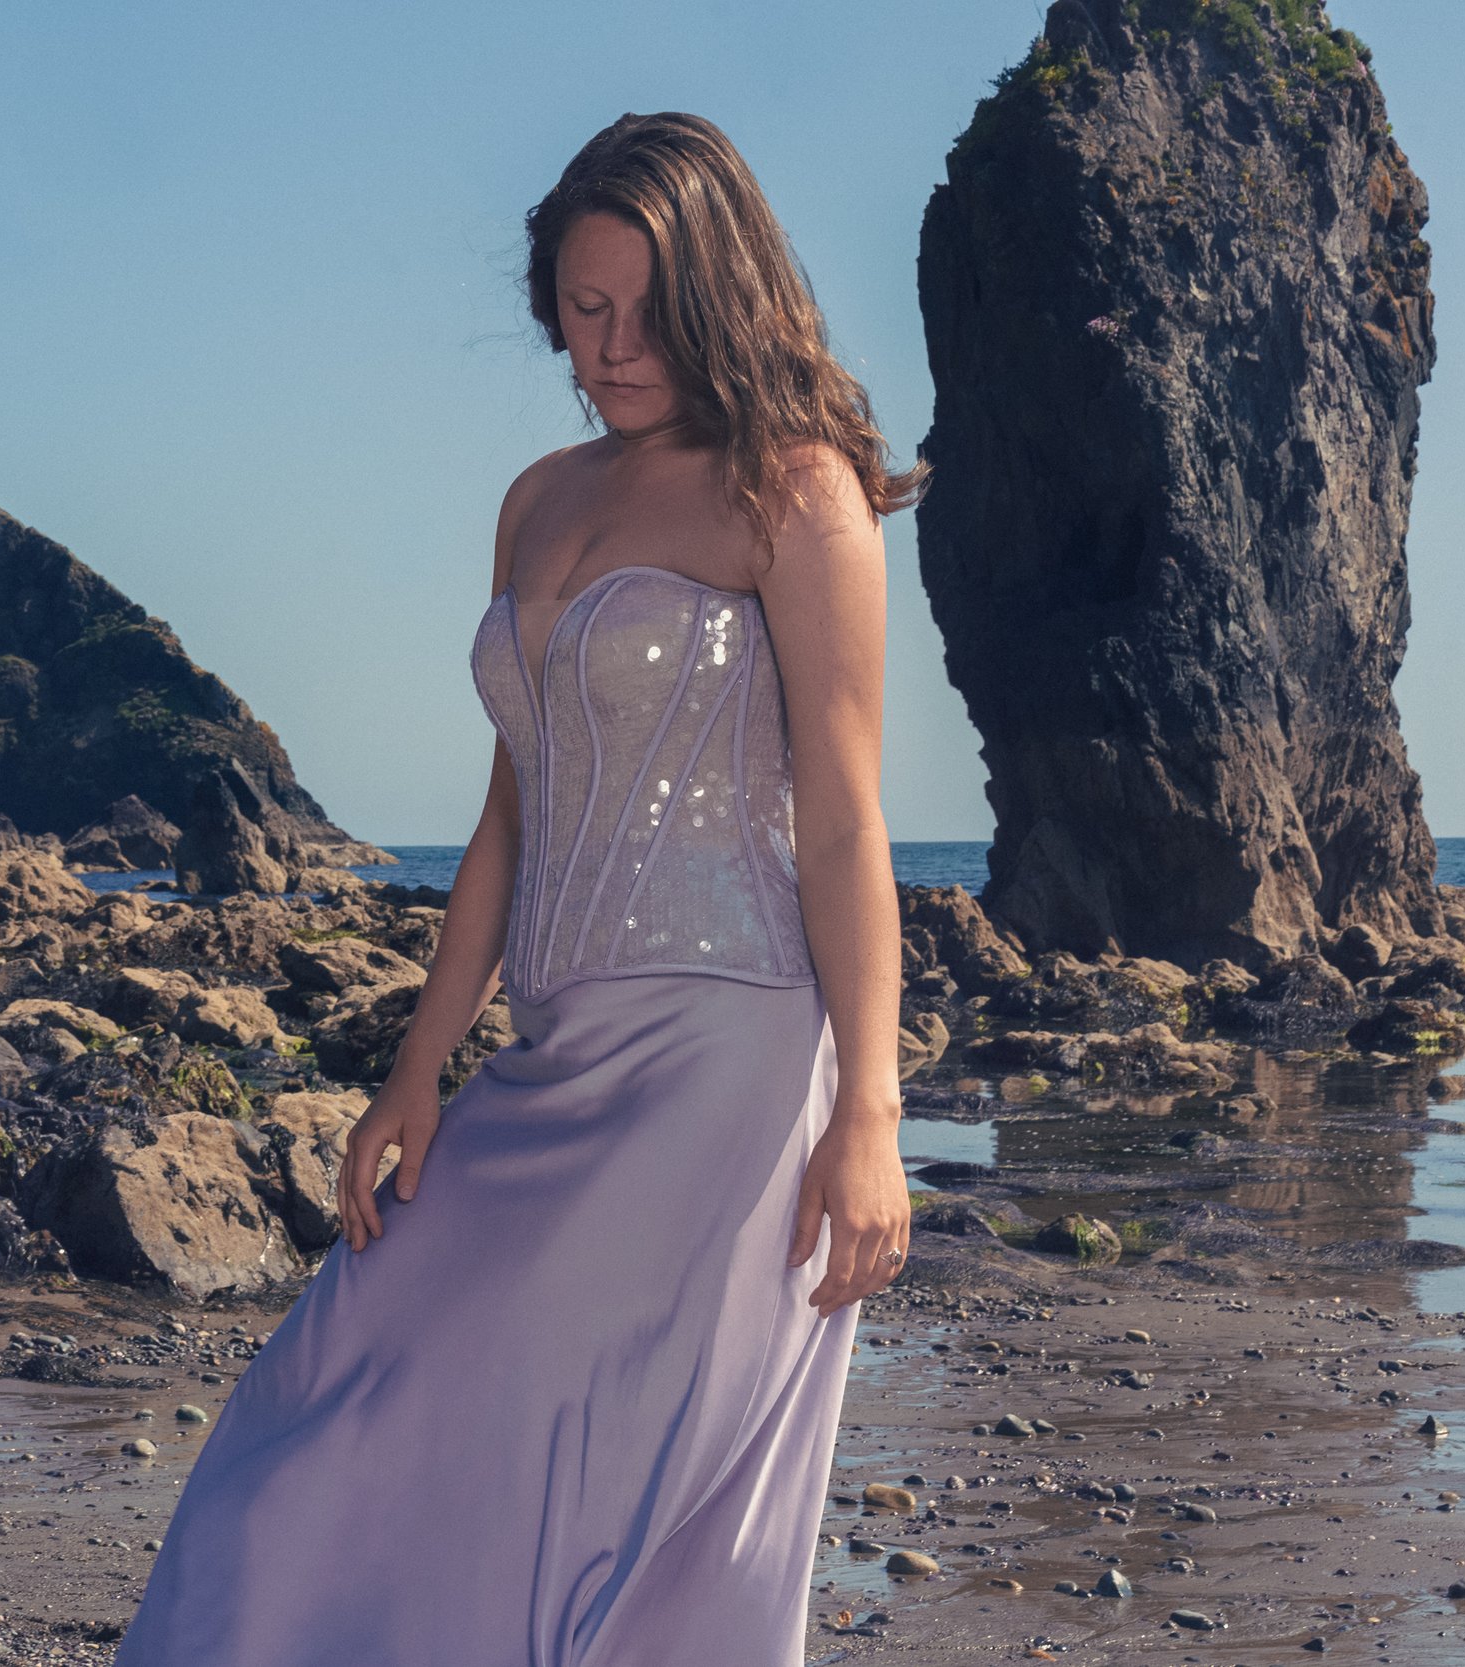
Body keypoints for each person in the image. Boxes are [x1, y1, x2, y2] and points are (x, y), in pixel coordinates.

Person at [112, 109, 928, 1666]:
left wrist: (871, 1116)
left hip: (728, 1063)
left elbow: (842, 820)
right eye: (580, 308)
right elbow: (511, 817)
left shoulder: (797, 492)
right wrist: (418, 1070)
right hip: (552, 1059)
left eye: (642, 313)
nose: (607, 351)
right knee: (340, 1399)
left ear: (721, 297)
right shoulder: (537, 499)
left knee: (594, 1481)